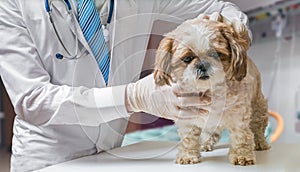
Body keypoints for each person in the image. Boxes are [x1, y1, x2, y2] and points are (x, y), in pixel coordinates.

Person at [0, 0, 251, 171]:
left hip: (110, 154)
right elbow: (32, 99)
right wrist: (133, 97)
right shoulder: (12, 4)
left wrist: (230, 33)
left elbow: (221, 7)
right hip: (48, 158)